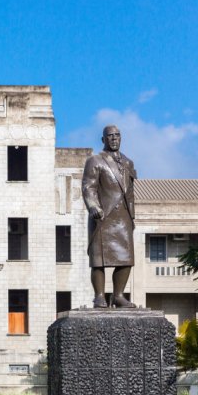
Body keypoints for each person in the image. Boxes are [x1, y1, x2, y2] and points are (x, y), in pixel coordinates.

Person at [81, 125, 137, 308]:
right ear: (103, 139)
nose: (114, 139)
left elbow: (130, 193)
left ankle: (118, 295)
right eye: (110, 136)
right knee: (99, 260)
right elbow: (88, 187)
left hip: (123, 218)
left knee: (126, 259)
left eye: (117, 136)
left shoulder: (128, 163)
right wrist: (93, 207)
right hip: (103, 216)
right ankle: (99, 296)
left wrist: (132, 216)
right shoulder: (95, 161)